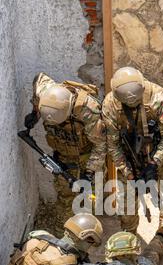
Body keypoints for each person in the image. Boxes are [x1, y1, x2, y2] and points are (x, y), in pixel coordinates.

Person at [25, 73, 106, 235]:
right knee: (65, 196)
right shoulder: (44, 92)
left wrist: (89, 173)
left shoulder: (87, 110)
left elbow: (101, 145)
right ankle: (64, 235)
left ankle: (87, 233)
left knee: (90, 197)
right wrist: (35, 113)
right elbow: (39, 78)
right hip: (63, 156)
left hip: (88, 156)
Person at [102, 66, 163, 233]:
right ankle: (129, 237)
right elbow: (113, 144)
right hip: (129, 159)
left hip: (161, 154)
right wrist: (128, 173)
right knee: (127, 207)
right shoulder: (110, 105)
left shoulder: (158, 98)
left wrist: (155, 162)